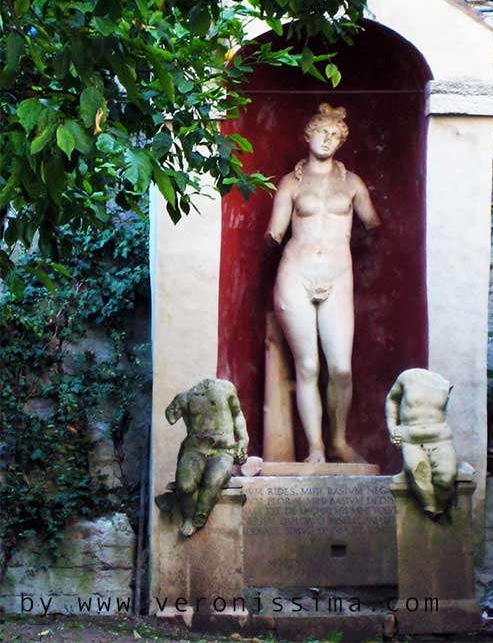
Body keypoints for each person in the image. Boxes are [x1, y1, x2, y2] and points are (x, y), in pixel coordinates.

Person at [265, 103, 380, 464]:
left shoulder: (352, 183)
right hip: (296, 276)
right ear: (308, 134)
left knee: (341, 368)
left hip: (338, 277)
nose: (328, 140)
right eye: (322, 132)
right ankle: (315, 446)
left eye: (336, 135)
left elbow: (373, 223)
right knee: (309, 367)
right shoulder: (291, 183)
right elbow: (275, 232)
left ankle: (339, 442)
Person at [156, 377, 248, 537]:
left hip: (222, 450)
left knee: (214, 481)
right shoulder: (185, 397)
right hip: (195, 450)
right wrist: (176, 405)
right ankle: (186, 515)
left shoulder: (226, 388)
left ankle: (199, 516)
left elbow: (237, 414)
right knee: (185, 486)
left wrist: (243, 440)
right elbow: (170, 417)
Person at [385, 368, 457, 516]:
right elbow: (392, 399)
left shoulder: (444, 384)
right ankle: (431, 509)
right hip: (412, 440)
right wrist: (393, 427)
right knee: (418, 473)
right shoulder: (407, 377)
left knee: (446, 477)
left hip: (440, 439)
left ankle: (442, 508)